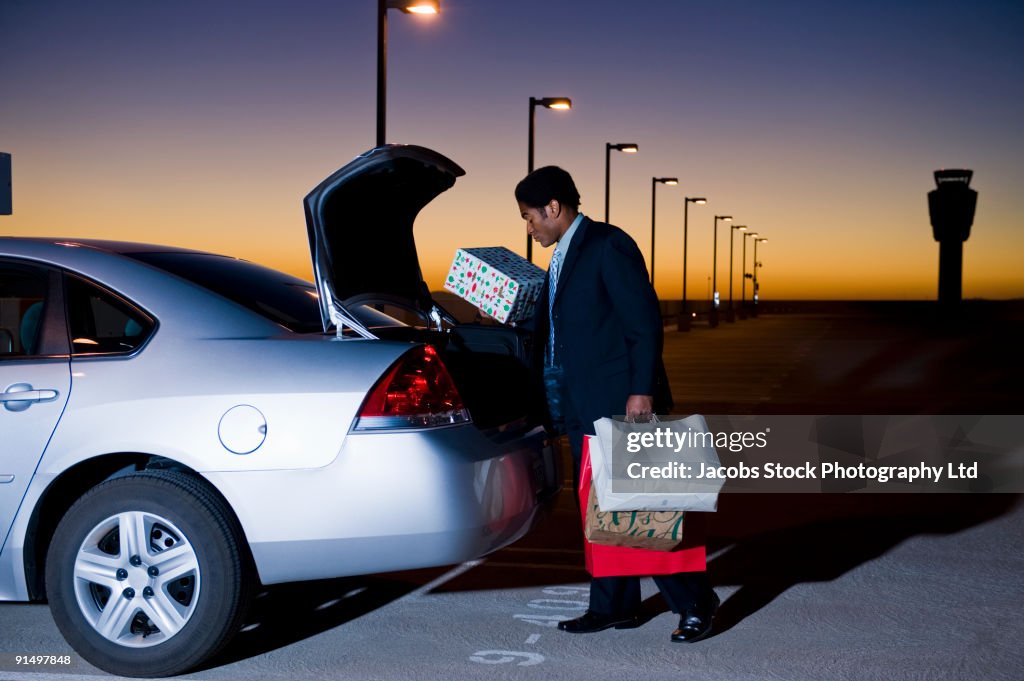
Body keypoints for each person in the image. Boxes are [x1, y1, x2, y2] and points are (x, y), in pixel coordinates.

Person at [515, 165, 718, 643]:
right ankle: (613, 607)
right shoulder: (561, 259)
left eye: (529, 217)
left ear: (553, 208)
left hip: (622, 402)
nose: (528, 228)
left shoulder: (608, 244)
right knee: (599, 509)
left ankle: (695, 600)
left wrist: (641, 388)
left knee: (643, 509)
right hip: (581, 402)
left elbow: (642, 322)